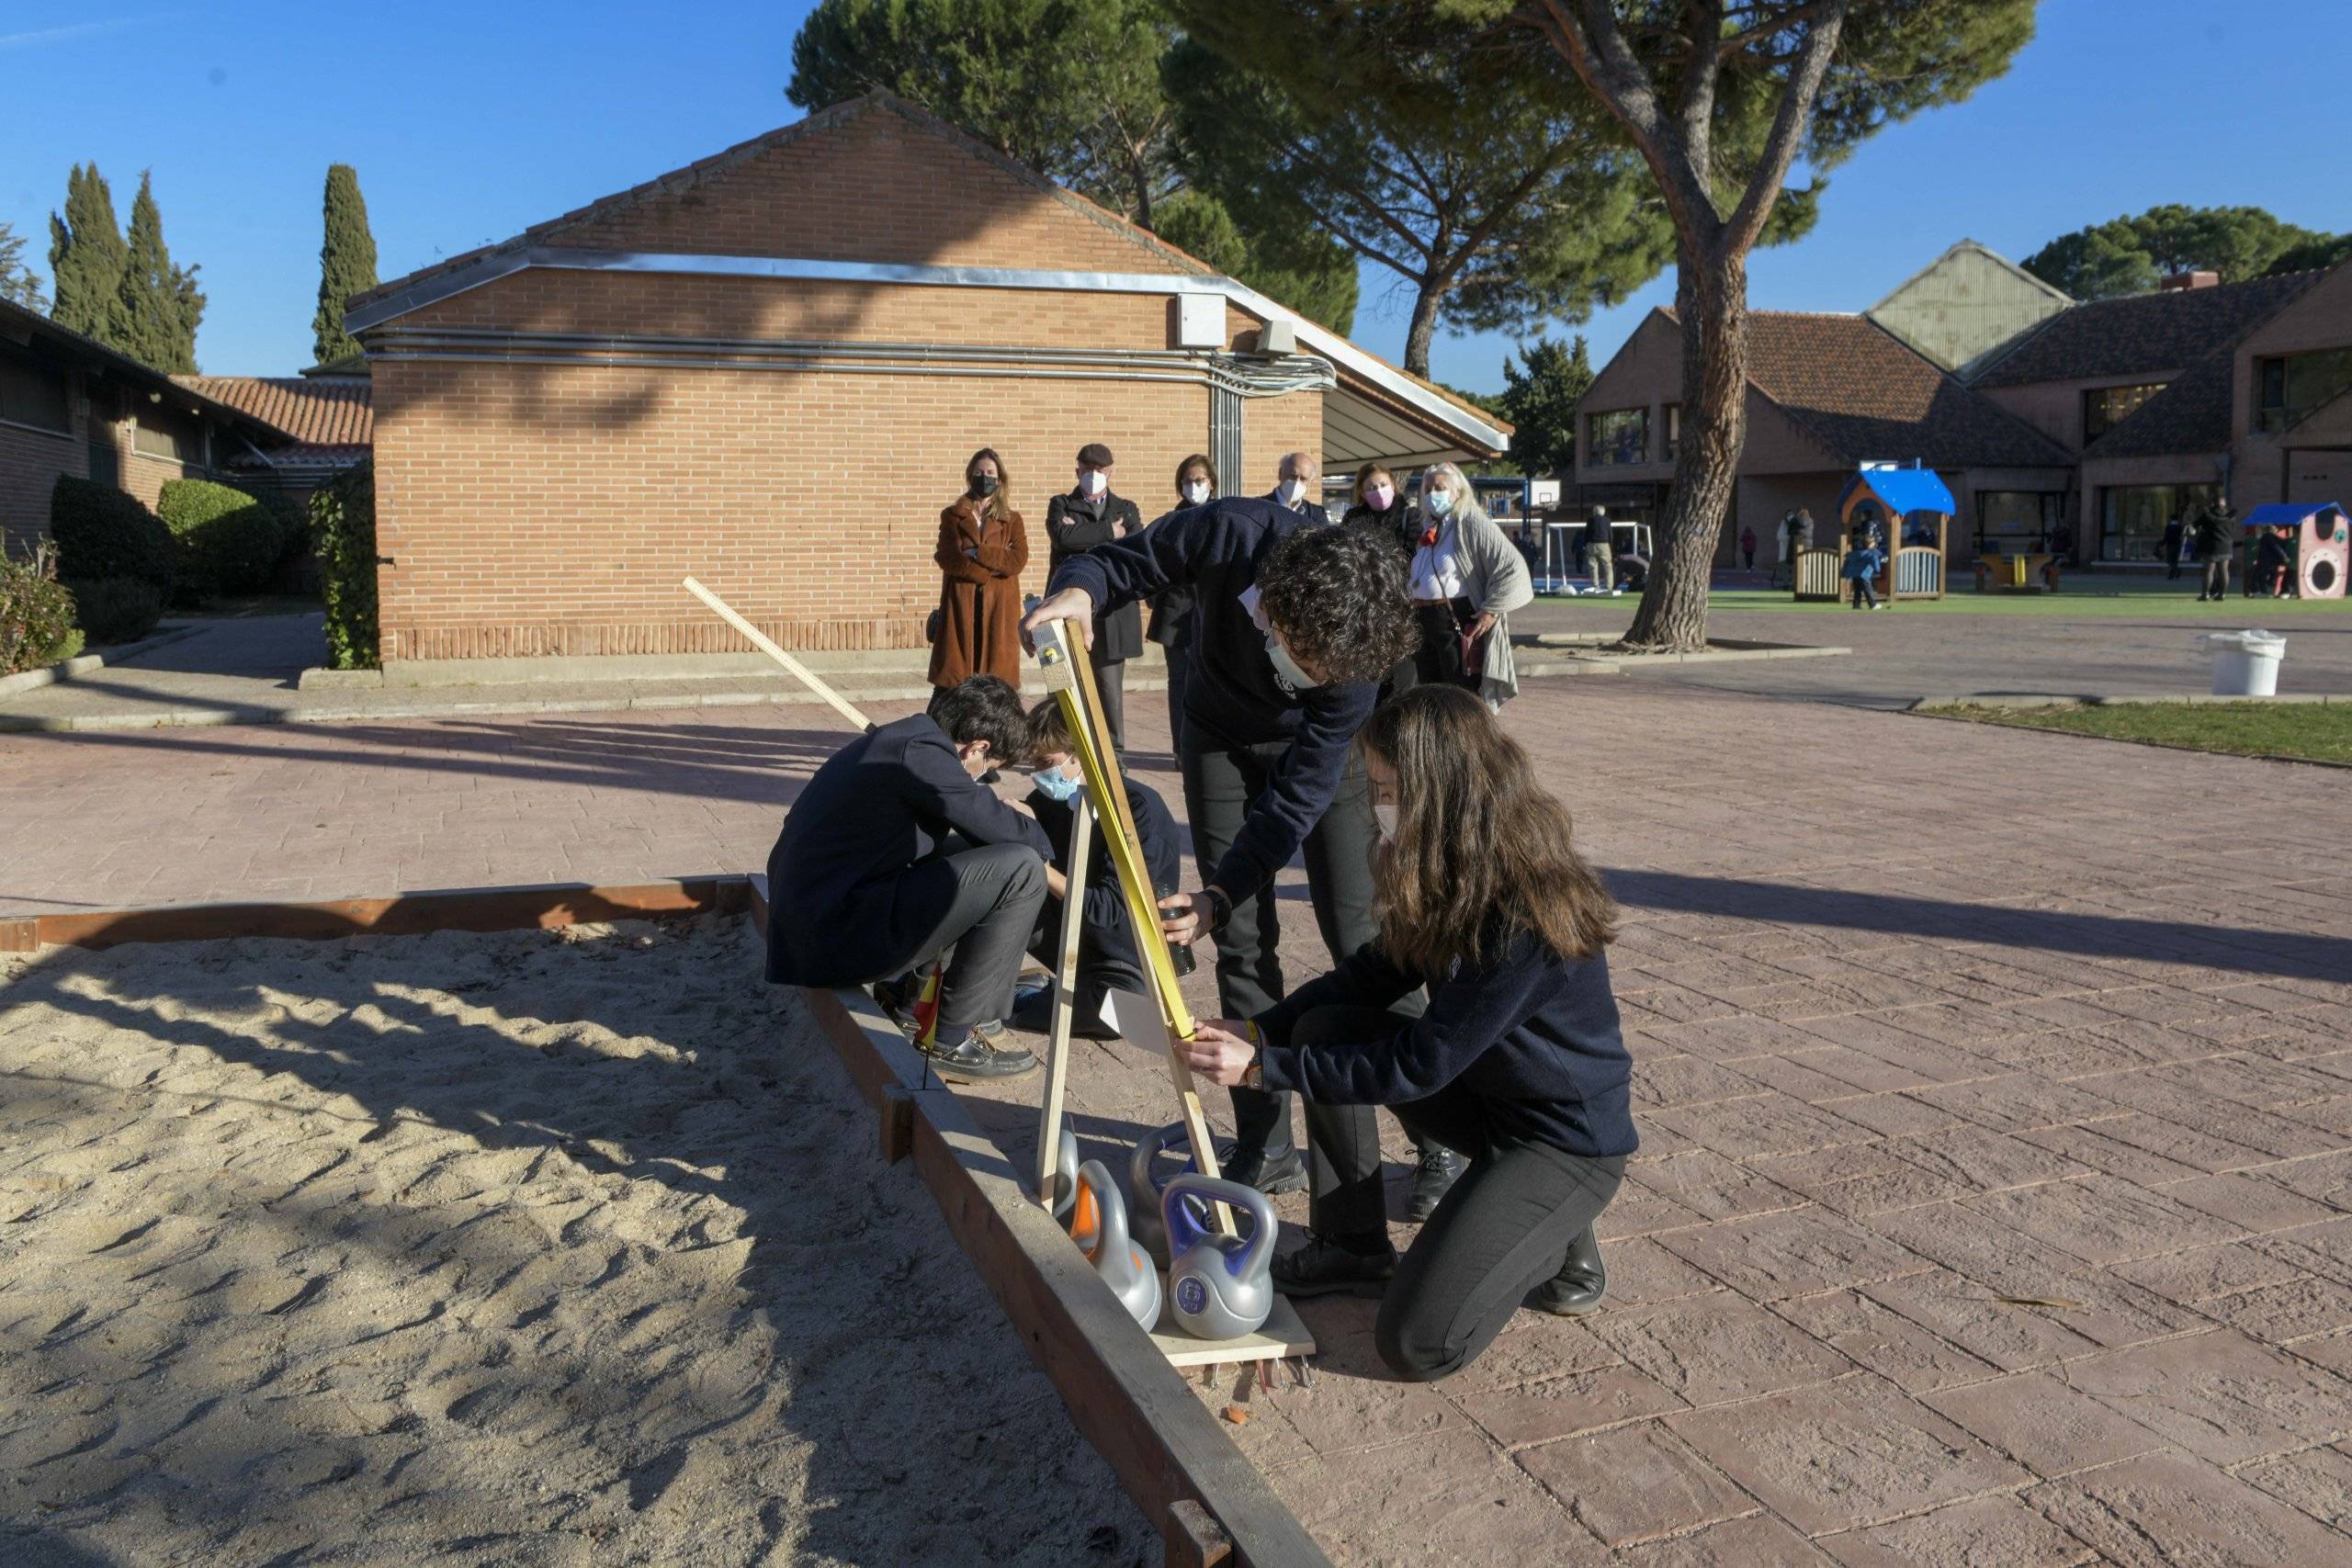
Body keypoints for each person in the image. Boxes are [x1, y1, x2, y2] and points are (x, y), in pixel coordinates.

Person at [1176, 685, 1635, 1382]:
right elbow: (1364, 979)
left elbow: (1419, 1065)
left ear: (1440, 791)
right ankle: (1353, 1244)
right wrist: (1258, 1030)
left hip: (1564, 1140)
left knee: (1419, 1343)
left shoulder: (1525, 914)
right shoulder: (1450, 870)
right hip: (1491, 1101)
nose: (1378, 806)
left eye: (1389, 789)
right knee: (1322, 1027)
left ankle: (1547, 1227)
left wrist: (1260, 1068)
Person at [1023, 507, 1451, 1208]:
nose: (1304, 676)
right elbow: (1118, 563)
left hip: (1323, 763)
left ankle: (1439, 1142)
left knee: (1368, 940)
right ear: (1278, 609)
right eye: (1301, 660)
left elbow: (1295, 802)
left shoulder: (1352, 666)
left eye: (1319, 674)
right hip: (1218, 732)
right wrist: (1078, 588)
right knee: (1242, 943)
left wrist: (1219, 891)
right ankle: (1267, 1142)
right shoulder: (1227, 534)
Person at [764, 676, 1047, 1082]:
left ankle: (911, 1006)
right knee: (1021, 870)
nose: (983, 778)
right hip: (829, 940)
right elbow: (1010, 833)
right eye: (988, 770)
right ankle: (950, 1041)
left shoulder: (908, 738)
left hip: (816, 924)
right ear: (977, 748)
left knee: (975, 856)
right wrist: (1034, 827)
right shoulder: (925, 757)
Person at [1012, 698, 1185, 1037]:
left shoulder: (1137, 811)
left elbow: (1108, 911)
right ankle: (1005, 989)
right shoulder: (1055, 798)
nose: (1038, 776)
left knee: (1121, 1017)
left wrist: (1039, 865)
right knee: (999, 874)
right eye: (1032, 765)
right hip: (1073, 938)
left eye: (1045, 763)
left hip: (1123, 955)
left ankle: (1038, 994)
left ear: (1080, 754)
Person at [1393, 462, 1532, 711]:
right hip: (1423, 620)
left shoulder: (1470, 521)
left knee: (1459, 695)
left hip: (1453, 617)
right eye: (1428, 488)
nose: (1433, 493)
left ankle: (1466, 747)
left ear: (1458, 492)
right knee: (1430, 695)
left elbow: (1512, 566)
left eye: (1440, 487)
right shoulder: (1431, 526)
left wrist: (1491, 610)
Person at [1046, 443, 1143, 750]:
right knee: (1062, 683)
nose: (1093, 475)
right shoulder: (1060, 504)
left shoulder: (1126, 509)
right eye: (1087, 470)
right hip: (1066, 607)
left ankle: (1113, 754)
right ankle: (1058, 749)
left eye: (1099, 470)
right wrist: (1109, 532)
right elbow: (1062, 537)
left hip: (1113, 611)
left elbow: (1135, 549)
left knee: (1108, 689)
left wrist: (1082, 535)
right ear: (1077, 471)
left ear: (1111, 472)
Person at [929, 448, 1029, 705]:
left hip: (998, 610)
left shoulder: (1012, 520)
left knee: (997, 687)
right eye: (979, 472)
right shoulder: (953, 515)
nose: (985, 477)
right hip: (961, 607)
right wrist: (984, 572)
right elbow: (946, 556)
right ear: (970, 476)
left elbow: (1017, 561)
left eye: (990, 473)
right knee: (952, 683)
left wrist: (978, 552)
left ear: (1000, 478)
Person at [1146, 455, 1216, 760]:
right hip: (1177, 615)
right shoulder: (1170, 521)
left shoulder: (1222, 516)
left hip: (1214, 614)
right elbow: (1158, 566)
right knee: (1181, 686)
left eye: (1200, 480)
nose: (1194, 486)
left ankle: (1208, 748)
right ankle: (1181, 749)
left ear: (1211, 483)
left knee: (1214, 686)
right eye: (1188, 481)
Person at [1341, 463, 1412, 555]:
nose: (1379, 491)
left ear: (1393, 485)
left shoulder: (1409, 516)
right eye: (1372, 488)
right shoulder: (1353, 518)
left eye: (1383, 485)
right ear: (1362, 493)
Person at [2189, 492, 2237, 601]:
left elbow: (2194, 526)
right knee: (2224, 571)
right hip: (2226, 546)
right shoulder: (2231, 516)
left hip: (2211, 546)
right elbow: (2233, 530)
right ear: (2224, 504)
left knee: (2209, 571)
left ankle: (2205, 594)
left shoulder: (2207, 515)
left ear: (2212, 504)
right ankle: (2222, 594)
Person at [1267, 451, 1329, 525]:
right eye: (1293, 476)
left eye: (1303, 479)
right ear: (1280, 473)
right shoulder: (1257, 507)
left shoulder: (1317, 515)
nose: (1296, 482)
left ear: (1310, 482)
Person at [1843, 524, 1884, 610]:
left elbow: (1849, 561)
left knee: (1857, 591)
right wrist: (1878, 569)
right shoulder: (1872, 554)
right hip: (1864, 574)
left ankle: (1856, 605)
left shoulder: (1856, 553)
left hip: (1855, 575)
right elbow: (1876, 564)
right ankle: (1872, 604)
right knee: (1868, 589)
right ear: (1871, 544)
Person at [2256, 524, 2295, 598]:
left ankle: (2264, 592)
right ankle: (2265, 590)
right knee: (2264, 575)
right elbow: (2277, 547)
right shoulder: (2271, 537)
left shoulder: (2267, 537)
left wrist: (2284, 556)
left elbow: (2276, 547)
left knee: (2263, 576)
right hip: (2269, 560)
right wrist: (2284, 556)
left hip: (2265, 560)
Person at [1584, 505, 1614, 594]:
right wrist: (1610, 545)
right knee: (1607, 566)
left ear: (1594, 512)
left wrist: (1585, 544)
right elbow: (1610, 534)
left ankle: (1595, 585)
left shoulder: (1590, 520)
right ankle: (1609, 586)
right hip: (1604, 545)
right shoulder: (1607, 520)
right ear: (1603, 512)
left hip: (1591, 544)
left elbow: (1586, 533)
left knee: (1592, 566)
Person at [2160, 513, 2188, 581]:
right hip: (2177, 544)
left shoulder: (2169, 527)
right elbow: (2182, 535)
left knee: (2170, 559)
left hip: (2170, 544)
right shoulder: (2180, 527)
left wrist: (2162, 544)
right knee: (2175, 560)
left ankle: (2176, 571)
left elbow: (2166, 536)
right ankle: (2172, 574)